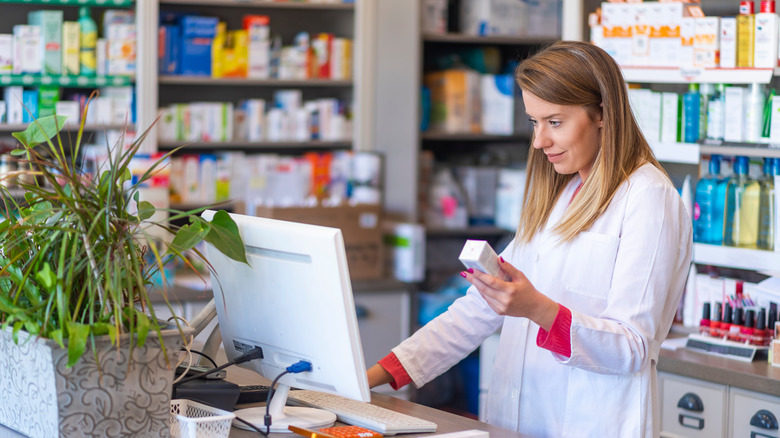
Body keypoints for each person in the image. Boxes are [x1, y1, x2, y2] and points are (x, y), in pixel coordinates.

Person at [366, 41, 693, 438]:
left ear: (603, 114)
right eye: (534, 122)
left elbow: (631, 346)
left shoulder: (648, 197)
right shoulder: (563, 194)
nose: (539, 142)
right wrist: (374, 375)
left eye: (554, 122)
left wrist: (538, 309)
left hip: (591, 424)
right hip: (519, 422)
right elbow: (477, 310)